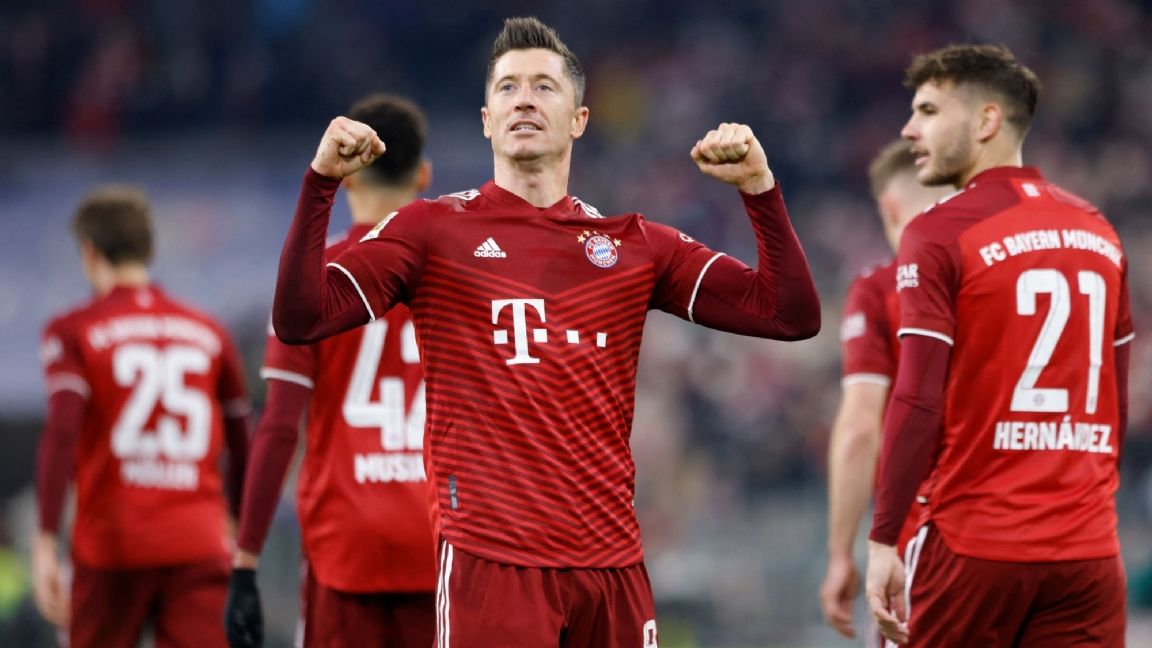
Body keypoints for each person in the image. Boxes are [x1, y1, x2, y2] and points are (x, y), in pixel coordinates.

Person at [272, 16, 820, 647]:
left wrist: (759, 190)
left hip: (613, 566)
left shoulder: (634, 246)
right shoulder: (431, 231)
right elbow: (301, 317)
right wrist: (319, 186)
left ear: (579, 120)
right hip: (492, 561)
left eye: (544, 86)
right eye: (507, 87)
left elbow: (789, 314)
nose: (524, 99)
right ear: (486, 120)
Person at [865, 44, 1133, 646]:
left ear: (987, 120)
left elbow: (917, 398)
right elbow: (1115, 403)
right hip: (1089, 554)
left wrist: (883, 539)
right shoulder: (1099, 231)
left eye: (929, 111)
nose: (909, 129)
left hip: (976, 546)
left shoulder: (939, 231)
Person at [224, 94, 437, 648]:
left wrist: (245, 559)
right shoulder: (456, 275)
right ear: (423, 174)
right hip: (441, 540)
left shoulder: (313, 281)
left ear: (349, 176)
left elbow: (278, 428)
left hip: (346, 543)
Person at [33, 186, 251, 648]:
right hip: (198, 540)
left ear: (88, 252)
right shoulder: (209, 331)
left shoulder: (73, 330)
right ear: (150, 251)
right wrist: (236, 518)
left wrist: (45, 539)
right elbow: (242, 439)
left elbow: (63, 431)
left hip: (111, 546)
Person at [819, 140, 950, 640]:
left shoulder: (880, 290)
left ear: (890, 207)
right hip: (1042, 531)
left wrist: (840, 553)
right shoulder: (1004, 273)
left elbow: (860, 429)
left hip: (929, 541)